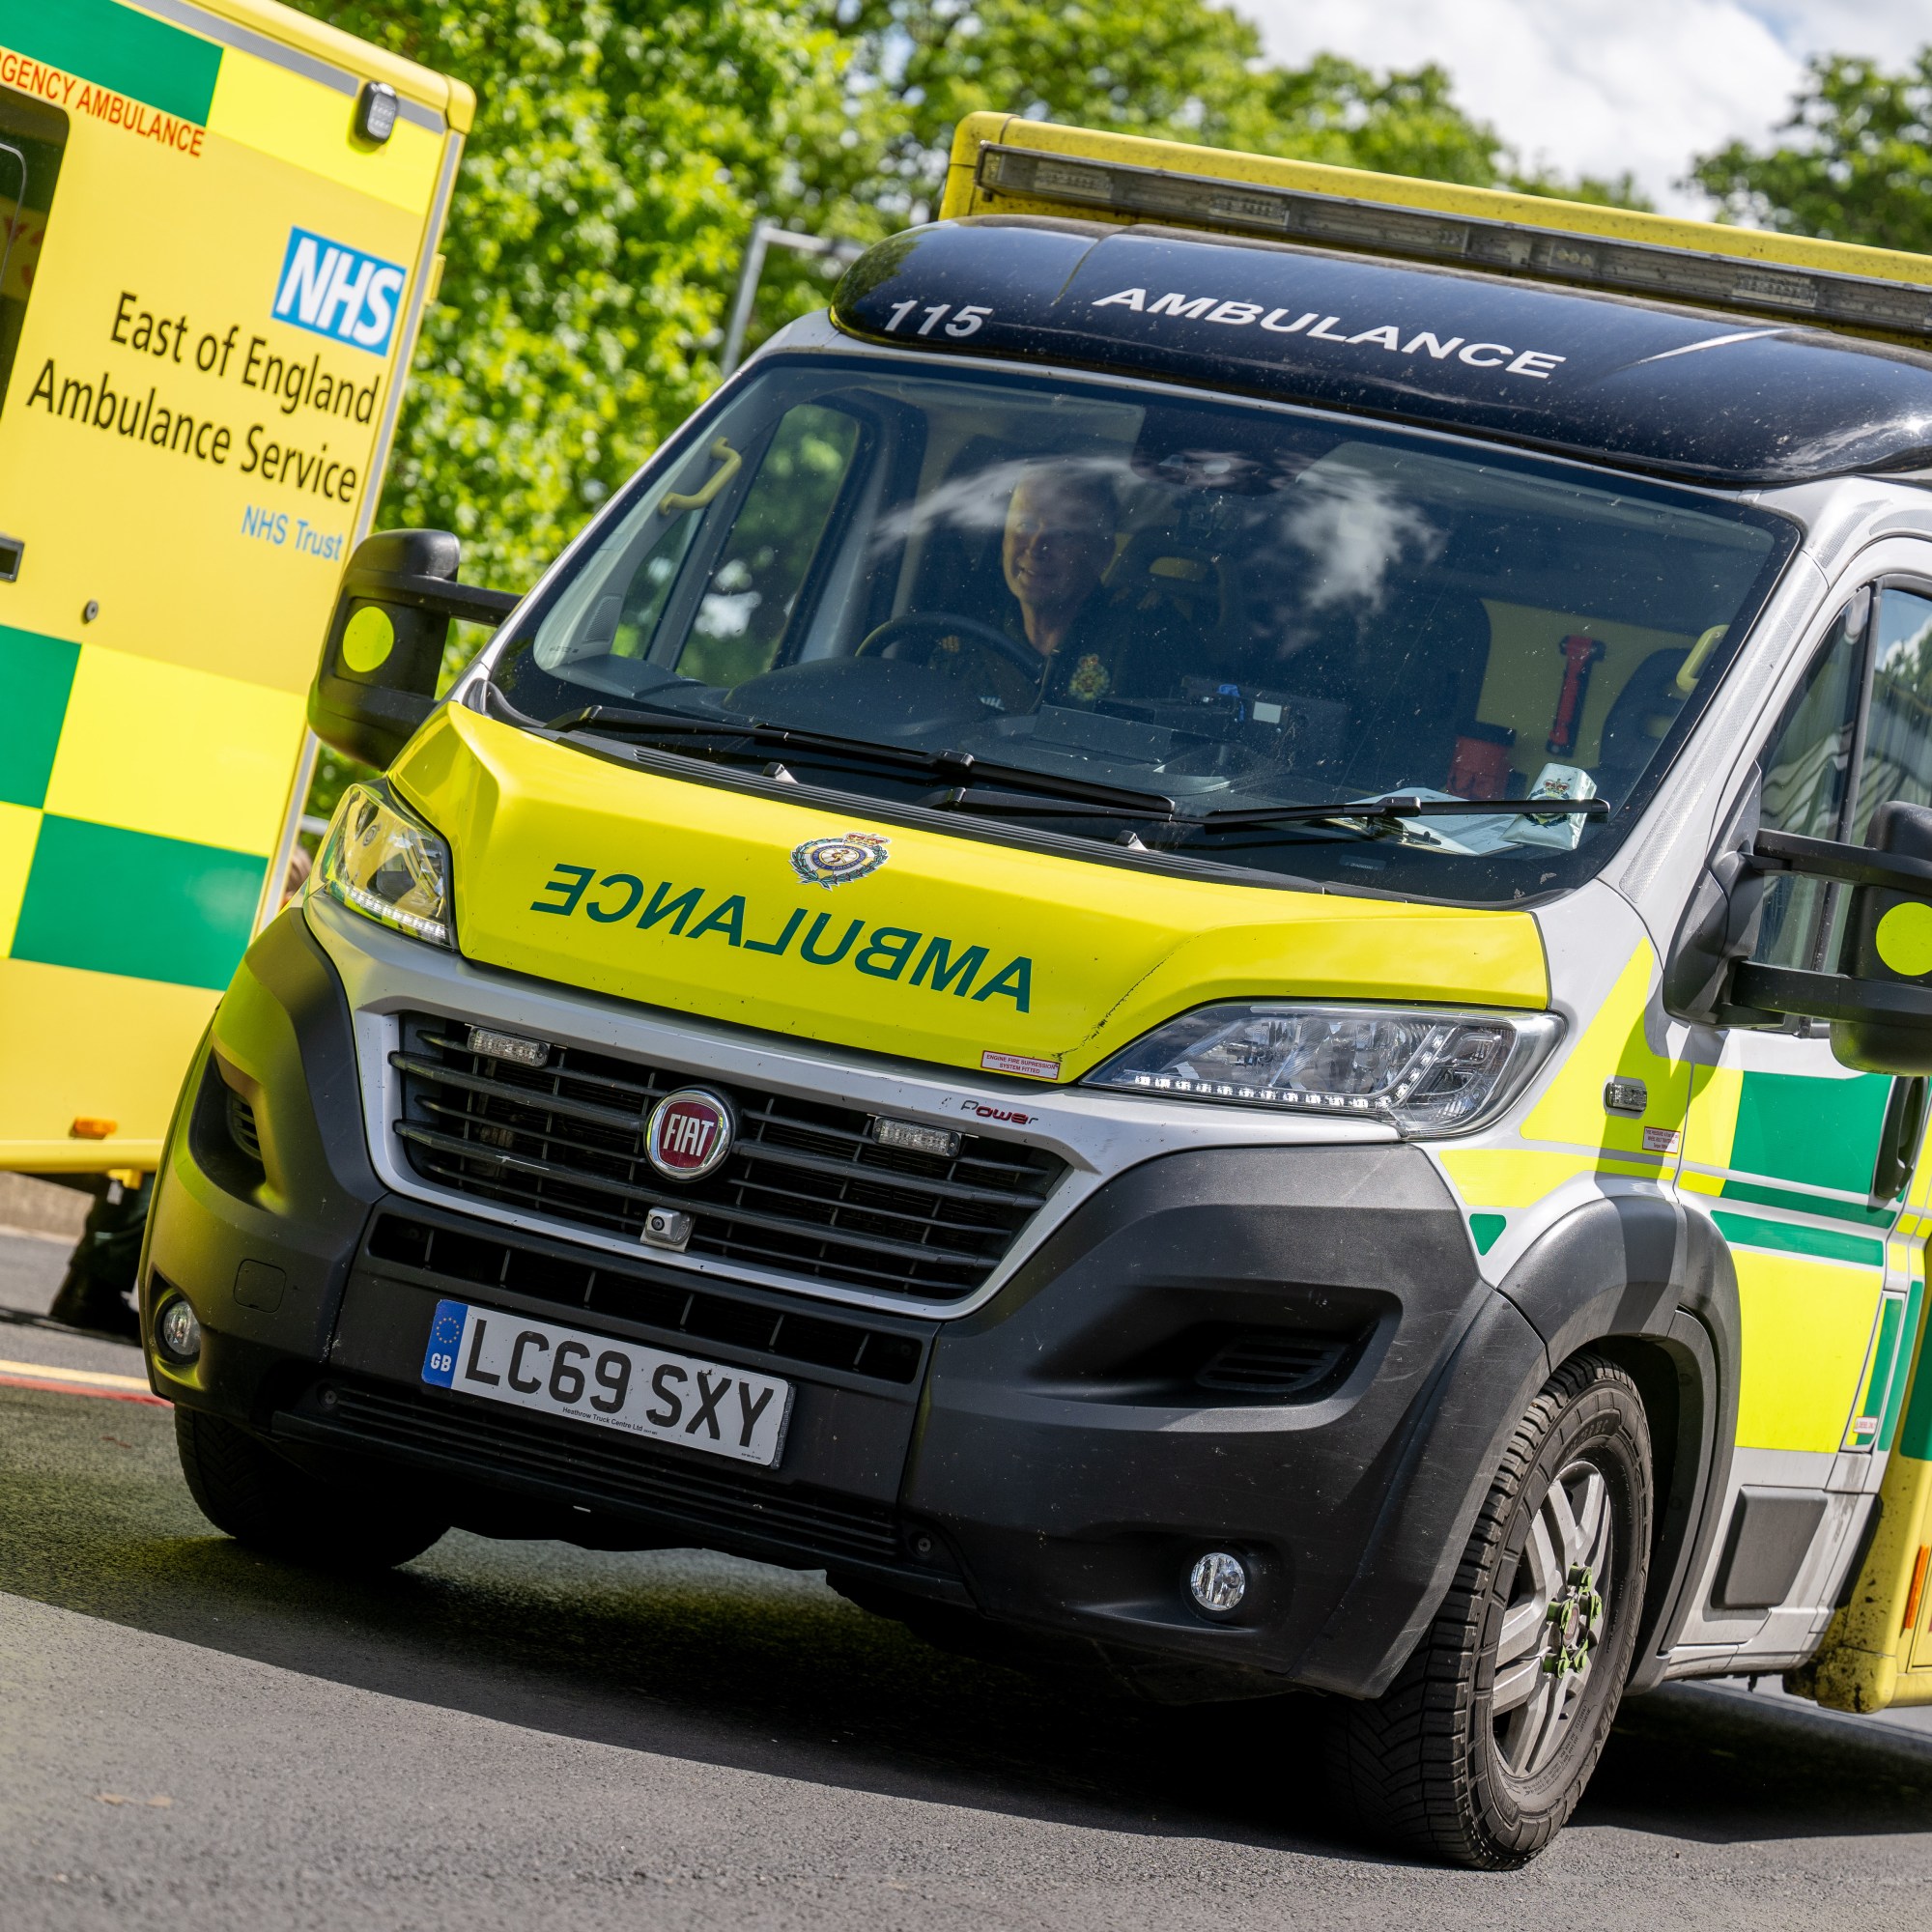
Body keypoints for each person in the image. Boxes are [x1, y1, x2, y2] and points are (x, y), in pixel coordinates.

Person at [927, 463, 1175, 711]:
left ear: (1102, 554)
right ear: (1004, 540)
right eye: (1025, 525)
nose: (1036, 547)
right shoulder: (968, 644)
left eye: (1063, 532)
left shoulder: (1146, 646)